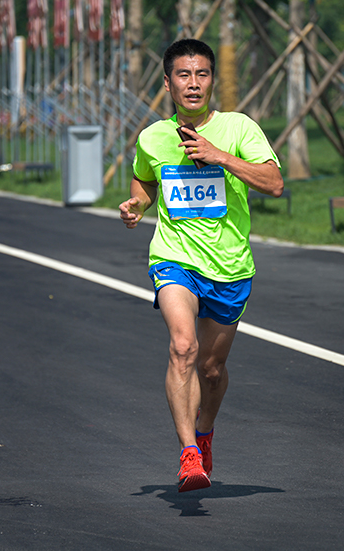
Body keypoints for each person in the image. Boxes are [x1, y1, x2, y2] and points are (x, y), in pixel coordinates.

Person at [119, 39, 283, 492]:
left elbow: (274, 183)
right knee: (183, 347)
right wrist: (137, 203)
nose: (194, 84)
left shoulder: (239, 128)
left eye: (202, 74)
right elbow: (145, 179)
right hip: (175, 258)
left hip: (230, 267)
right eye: (184, 75)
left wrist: (220, 156)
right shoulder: (152, 136)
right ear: (168, 83)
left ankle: (205, 432)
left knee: (210, 369)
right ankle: (189, 455)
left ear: (212, 79)